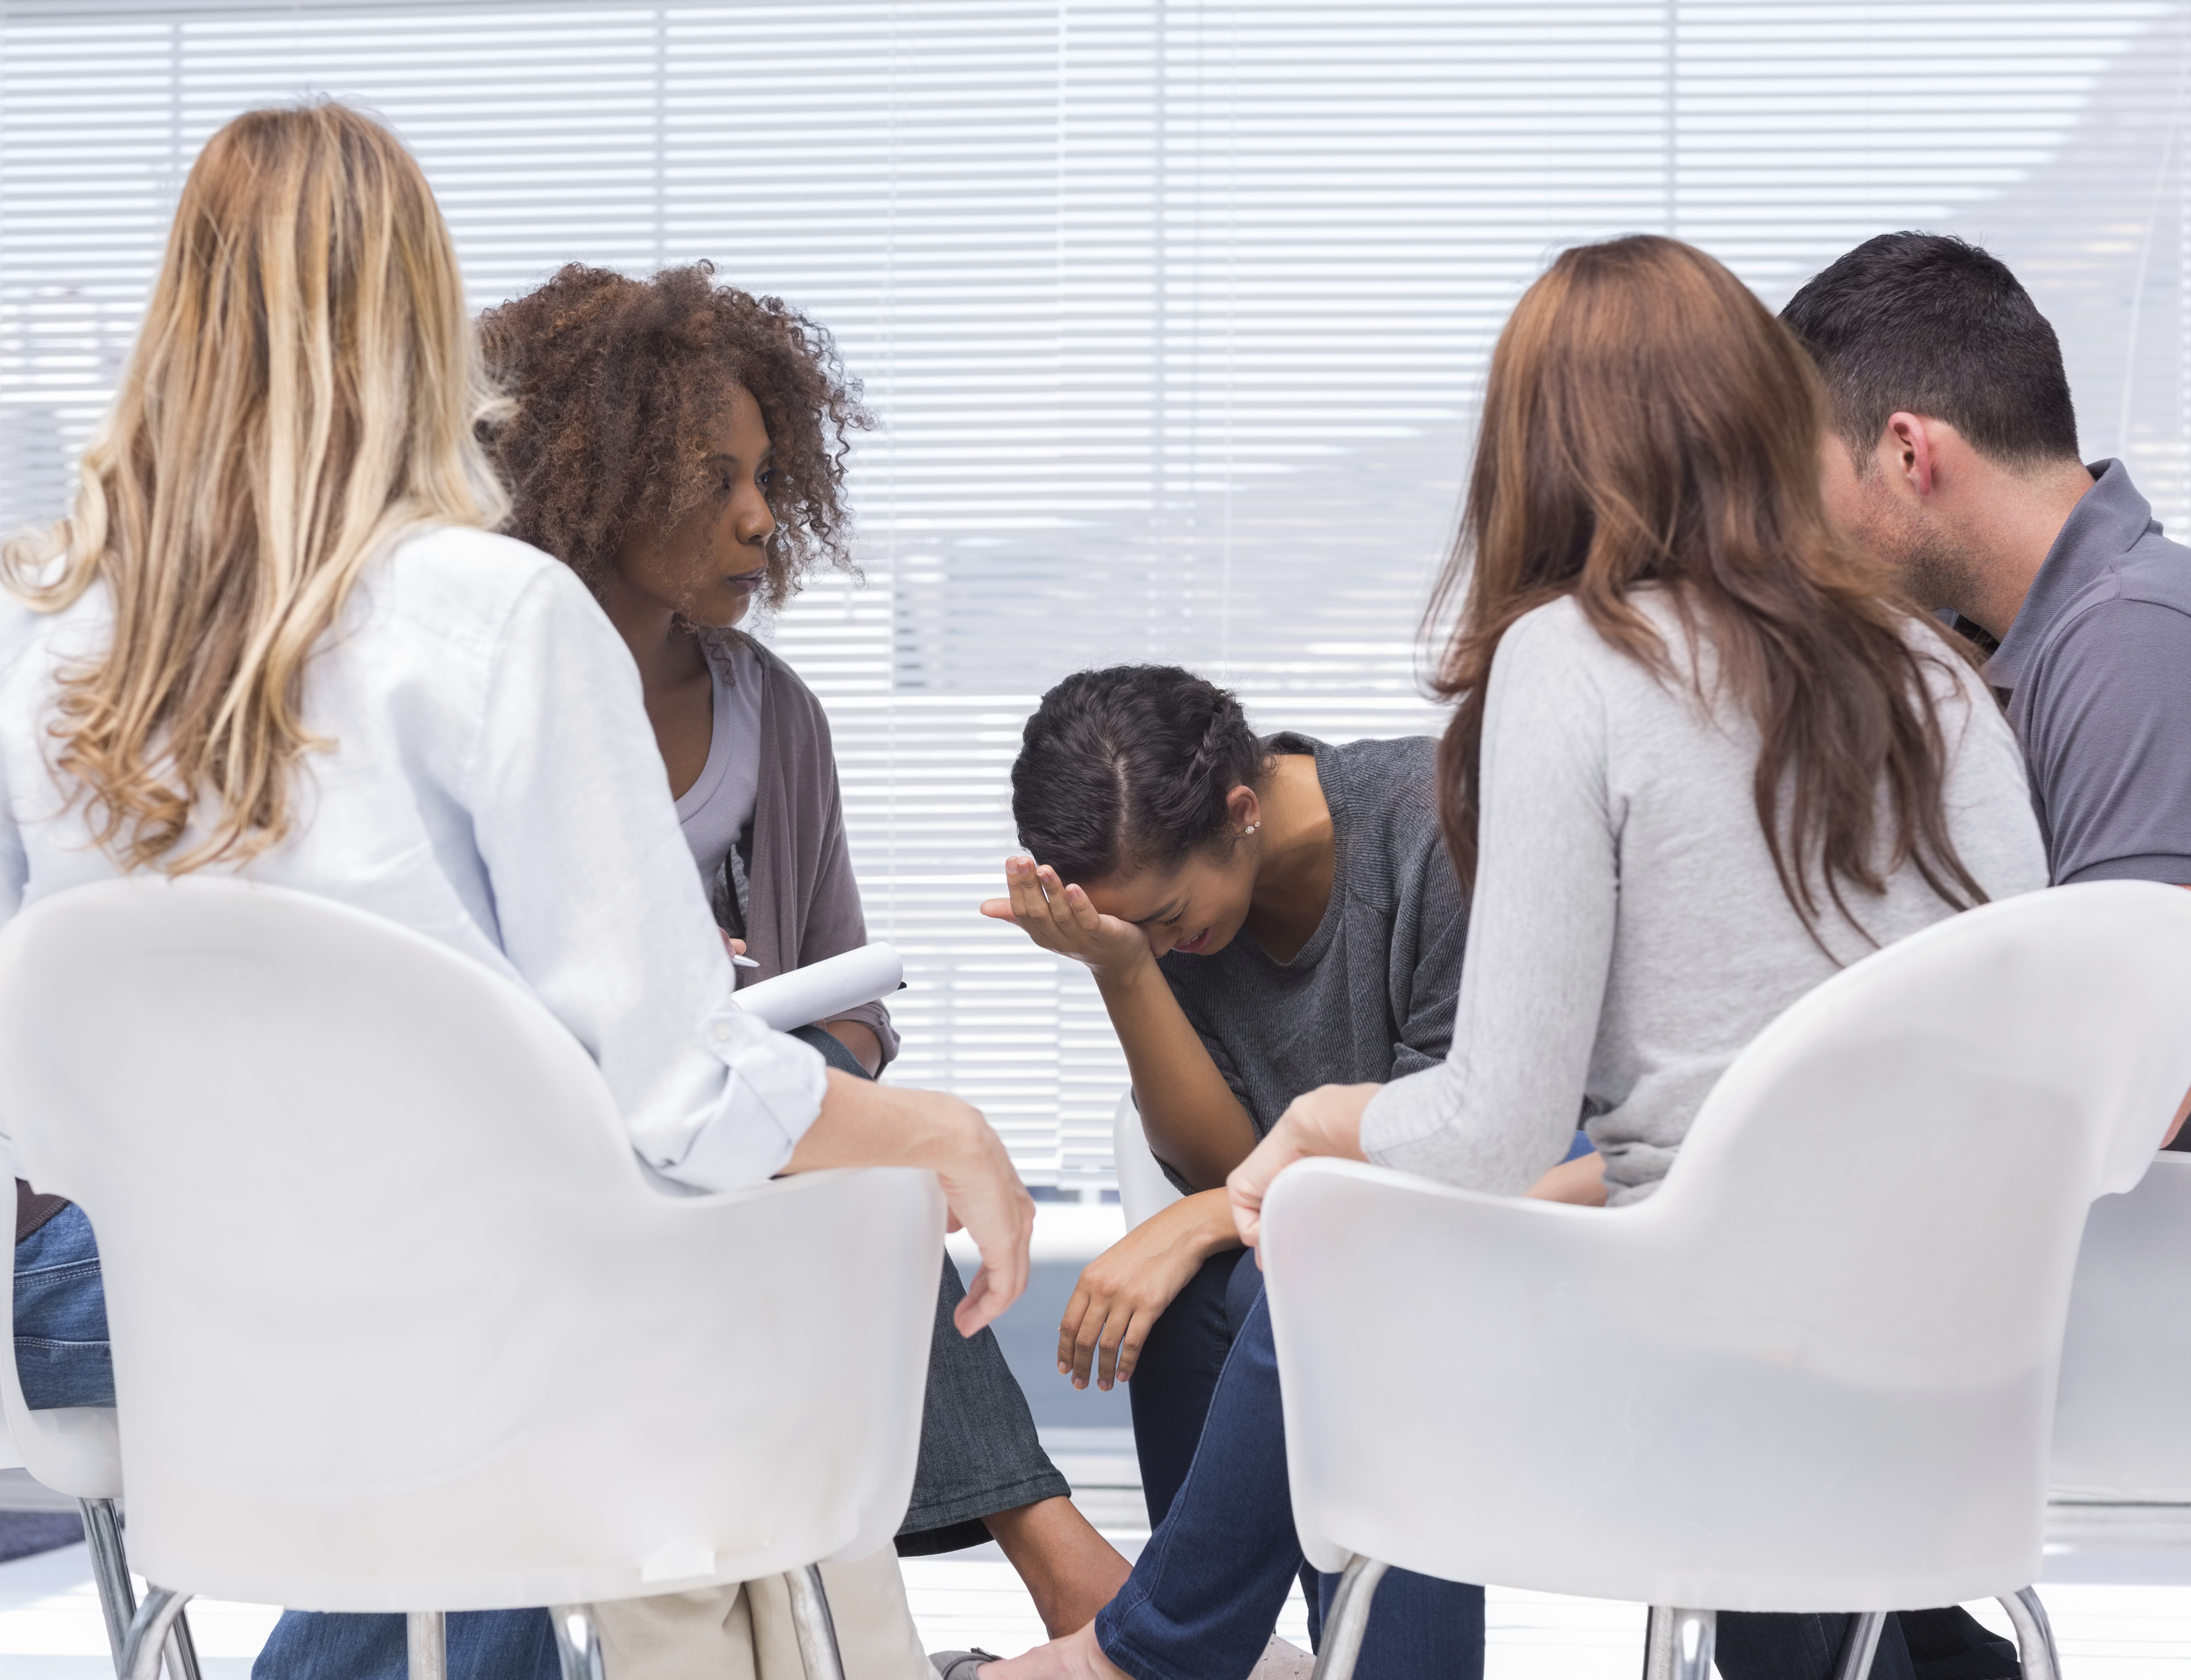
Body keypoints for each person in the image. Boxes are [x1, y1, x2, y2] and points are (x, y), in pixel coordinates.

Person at [0, 103, 1030, 1680]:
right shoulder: (492, 618)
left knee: (475, 1314)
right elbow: (679, 1085)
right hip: (466, 1319)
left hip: (142, 1318)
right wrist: (940, 1132)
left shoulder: (53, 641)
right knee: (695, 1247)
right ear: (422, 323)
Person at [1185, 233, 2052, 1680]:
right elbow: (2014, 1031)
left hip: (1703, 1365)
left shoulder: (1573, 665)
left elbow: (1494, 1129)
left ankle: (1157, 1656)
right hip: (1963, 1364)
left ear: (1535, 452)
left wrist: (1326, 1119)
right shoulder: (1932, 671)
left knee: (1319, 1265)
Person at [475, 261, 1132, 1654]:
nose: (761, 517)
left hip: (729, 1147)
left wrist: (768, 1043)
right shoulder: (484, 699)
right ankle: (1049, 1564)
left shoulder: (773, 716)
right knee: (860, 1202)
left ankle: (1009, 1580)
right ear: (596, 478)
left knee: (860, 1191)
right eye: (715, 477)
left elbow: (852, 1009)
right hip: (545, 1176)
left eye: (772, 473)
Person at [1772, 229, 2191, 1675]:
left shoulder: (2127, 637)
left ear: (1905, 451)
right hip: (2062, 1222)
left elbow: (2144, 1055)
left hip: (2139, 1247)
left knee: (1734, 1338)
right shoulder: (2020, 646)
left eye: (1802, 484)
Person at [972, 668, 1483, 1680]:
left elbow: (1461, 1142)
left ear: (1240, 812)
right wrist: (1121, 966)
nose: (1166, 945)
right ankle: (1206, 1657)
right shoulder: (1165, 915)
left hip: (1488, 1244)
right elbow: (1230, 1164)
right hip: (1333, 1264)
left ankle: (1160, 1657)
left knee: (1285, 1285)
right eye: (1136, 933)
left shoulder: (1436, 830)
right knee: (1213, 1295)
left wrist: (1207, 1216)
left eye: (1165, 918)